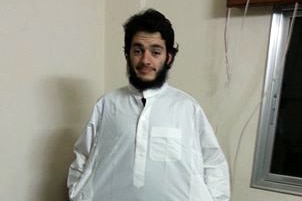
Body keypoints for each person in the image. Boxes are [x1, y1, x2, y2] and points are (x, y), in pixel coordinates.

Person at [67, 8, 230, 201]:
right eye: (138, 51)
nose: (146, 60)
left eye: (155, 52)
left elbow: (213, 164)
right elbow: (83, 157)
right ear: (127, 54)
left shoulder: (187, 109)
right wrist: (76, 194)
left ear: (168, 57)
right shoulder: (107, 105)